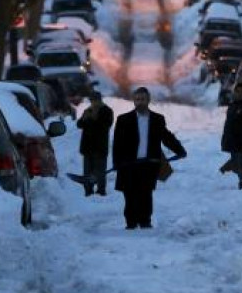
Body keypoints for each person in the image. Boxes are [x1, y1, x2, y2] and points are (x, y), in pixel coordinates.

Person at [112, 87, 186, 229]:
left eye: (143, 99)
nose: (140, 102)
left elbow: (166, 136)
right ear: (134, 100)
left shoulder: (157, 119)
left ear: (148, 100)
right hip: (129, 164)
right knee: (129, 194)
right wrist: (117, 163)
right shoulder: (123, 119)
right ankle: (131, 223)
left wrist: (179, 150)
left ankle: (145, 221)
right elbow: (117, 144)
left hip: (149, 163)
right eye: (137, 99)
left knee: (145, 193)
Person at [76, 91, 114, 196]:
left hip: (100, 147)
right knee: (87, 171)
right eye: (92, 101)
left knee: (100, 170)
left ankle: (101, 191)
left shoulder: (107, 111)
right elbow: (79, 124)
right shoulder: (88, 110)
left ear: (100, 100)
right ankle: (88, 190)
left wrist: (93, 118)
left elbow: (106, 125)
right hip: (87, 146)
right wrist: (85, 118)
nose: (93, 103)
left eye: (95, 100)